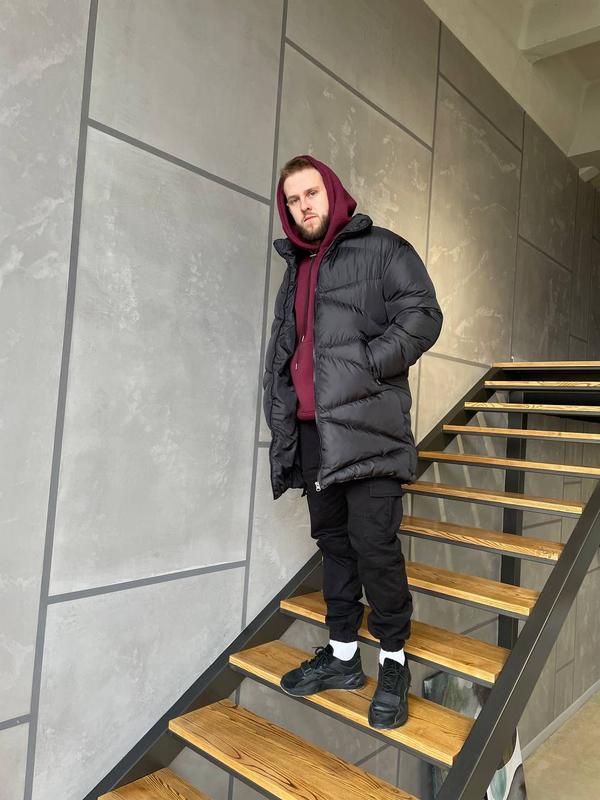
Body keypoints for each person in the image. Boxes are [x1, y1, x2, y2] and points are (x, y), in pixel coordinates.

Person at [262, 154, 443, 730]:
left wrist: (367, 364)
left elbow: (423, 315)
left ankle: (393, 662)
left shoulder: (382, 249)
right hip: (316, 437)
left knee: (374, 546)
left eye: (311, 193)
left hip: (370, 432)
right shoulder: (296, 267)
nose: (303, 206)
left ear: (333, 192)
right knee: (335, 546)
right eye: (293, 200)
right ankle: (343, 657)